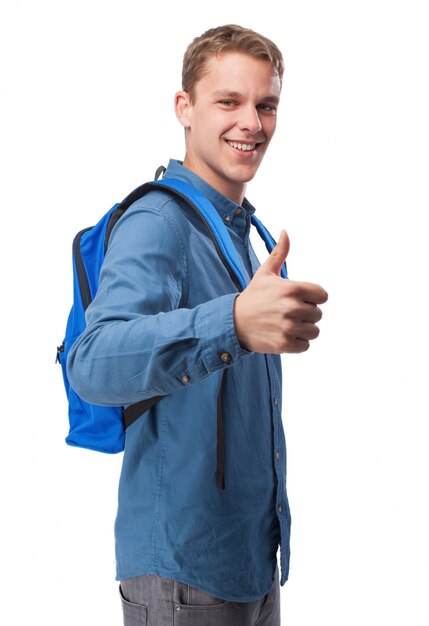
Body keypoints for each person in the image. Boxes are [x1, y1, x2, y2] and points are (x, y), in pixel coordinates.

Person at [67, 24, 328, 626]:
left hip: (250, 562)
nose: (253, 124)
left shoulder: (238, 232)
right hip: (184, 579)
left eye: (266, 105)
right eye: (229, 102)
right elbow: (93, 361)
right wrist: (233, 321)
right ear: (184, 109)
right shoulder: (159, 220)